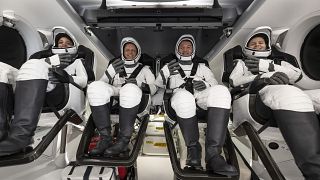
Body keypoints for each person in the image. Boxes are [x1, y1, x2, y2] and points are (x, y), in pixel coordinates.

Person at [229, 26, 320, 179]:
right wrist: (261, 79)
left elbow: (296, 75)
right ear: (247, 47)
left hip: (284, 89)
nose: (258, 45)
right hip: (256, 94)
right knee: (289, 94)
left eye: (261, 43)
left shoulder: (279, 62)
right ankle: (315, 172)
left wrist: (268, 67)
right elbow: (234, 81)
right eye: (254, 44)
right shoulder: (242, 63)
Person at [154, 34, 238, 176]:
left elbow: (214, 83)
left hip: (201, 96)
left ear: (193, 50)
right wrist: (165, 72)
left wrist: (205, 84)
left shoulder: (202, 66)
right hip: (179, 95)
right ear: (177, 49)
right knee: (184, 97)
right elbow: (157, 85)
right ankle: (193, 151)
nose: (185, 50)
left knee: (222, 91)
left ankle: (213, 155)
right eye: (182, 47)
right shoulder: (169, 66)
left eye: (188, 47)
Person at [0, 28, 88, 156]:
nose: (63, 45)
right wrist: (49, 62)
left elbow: (84, 80)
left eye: (67, 43)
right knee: (2, 68)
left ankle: (21, 137)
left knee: (34, 65)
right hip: (34, 84)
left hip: (60, 89)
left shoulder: (77, 61)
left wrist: (67, 77)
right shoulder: (46, 60)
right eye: (60, 42)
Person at [87, 37, 156, 157]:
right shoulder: (114, 66)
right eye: (127, 50)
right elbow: (102, 83)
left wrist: (138, 83)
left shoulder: (145, 69)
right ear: (123, 52)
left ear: (138, 52)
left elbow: (154, 88)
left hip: (135, 96)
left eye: (133, 50)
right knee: (94, 87)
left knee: (129, 88)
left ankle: (123, 140)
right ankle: (105, 139)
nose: (130, 52)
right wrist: (110, 72)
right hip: (116, 94)